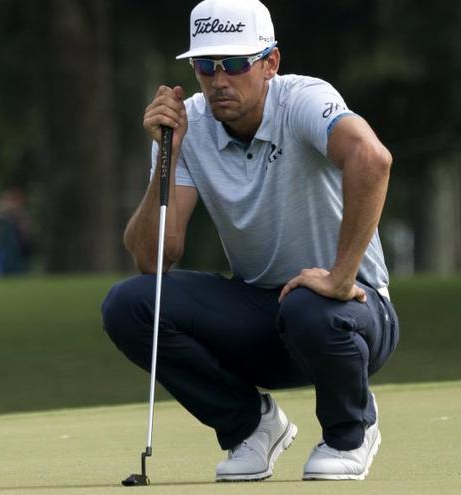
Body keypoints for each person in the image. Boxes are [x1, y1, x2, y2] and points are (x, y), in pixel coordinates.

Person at [102, 0, 399, 482]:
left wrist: (341, 276)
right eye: (206, 65)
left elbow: (372, 158)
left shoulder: (303, 100)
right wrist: (167, 155)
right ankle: (252, 427)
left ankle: (351, 432)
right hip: (265, 314)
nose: (220, 80)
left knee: (308, 305)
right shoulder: (186, 126)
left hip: (354, 312)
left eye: (237, 64)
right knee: (129, 304)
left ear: (271, 64)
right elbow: (154, 260)